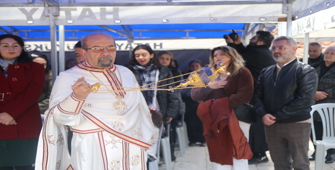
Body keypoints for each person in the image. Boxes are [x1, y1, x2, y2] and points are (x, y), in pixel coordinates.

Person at [35, 33, 158, 170]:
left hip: (132, 143)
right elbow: (58, 117)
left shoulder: (126, 72)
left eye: (111, 48)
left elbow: (140, 108)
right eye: (97, 48)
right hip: (93, 144)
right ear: (83, 52)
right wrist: (77, 97)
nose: (106, 52)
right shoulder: (68, 77)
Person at [253, 36, 318, 170]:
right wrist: (263, 114)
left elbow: (305, 99)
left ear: (294, 49)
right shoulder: (266, 72)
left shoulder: (305, 70)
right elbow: (257, 96)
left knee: (300, 164)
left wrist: (276, 116)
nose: (276, 51)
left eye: (281, 47)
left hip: (296, 123)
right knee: (279, 164)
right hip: (271, 124)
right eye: (274, 48)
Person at [191, 46, 254, 169]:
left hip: (237, 116)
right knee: (219, 148)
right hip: (214, 118)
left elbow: (244, 95)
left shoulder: (242, 72)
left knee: (238, 148)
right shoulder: (207, 73)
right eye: (215, 55)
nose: (218, 57)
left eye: (222, 54)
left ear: (232, 56)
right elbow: (194, 94)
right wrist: (210, 87)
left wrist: (218, 105)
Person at [225, 30, 275, 164]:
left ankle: (260, 154)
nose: (251, 39)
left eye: (254, 38)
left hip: (259, 95)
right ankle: (256, 151)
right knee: (254, 124)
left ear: (260, 42)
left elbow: (238, 58)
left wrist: (231, 45)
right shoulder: (259, 51)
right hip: (259, 93)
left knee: (257, 124)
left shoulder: (258, 53)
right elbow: (244, 54)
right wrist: (237, 43)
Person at [0, 34, 45, 170]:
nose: (11, 49)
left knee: (25, 164)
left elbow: (33, 93)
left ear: (22, 48)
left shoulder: (35, 68)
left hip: (25, 122)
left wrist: (11, 113)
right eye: (5, 46)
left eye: (15, 45)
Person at [128, 45, 178, 161]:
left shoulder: (163, 71)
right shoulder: (129, 71)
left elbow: (172, 93)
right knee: (138, 137)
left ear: (151, 55)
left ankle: (150, 158)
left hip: (158, 109)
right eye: (137, 55)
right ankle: (140, 159)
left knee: (153, 136)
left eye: (144, 55)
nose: (141, 57)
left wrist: (171, 112)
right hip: (137, 110)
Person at [308, 46, 335, 163]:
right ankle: (317, 150)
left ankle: (331, 153)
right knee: (314, 129)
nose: (328, 55)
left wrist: (325, 93)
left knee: (330, 129)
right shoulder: (314, 67)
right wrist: (314, 93)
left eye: (332, 53)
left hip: (331, 104)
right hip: (314, 103)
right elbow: (305, 83)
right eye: (327, 52)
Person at [157, 51, 185, 160]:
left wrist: (172, 111)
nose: (164, 61)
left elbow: (176, 91)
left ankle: (169, 154)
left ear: (171, 61)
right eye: (162, 58)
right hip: (158, 106)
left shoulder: (175, 72)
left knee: (170, 131)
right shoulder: (154, 72)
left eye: (167, 59)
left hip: (172, 105)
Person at [181, 60, 206, 146]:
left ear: (201, 67)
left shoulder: (206, 77)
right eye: (193, 66)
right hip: (190, 103)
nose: (194, 68)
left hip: (203, 103)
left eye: (197, 66)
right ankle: (192, 140)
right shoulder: (185, 77)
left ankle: (203, 140)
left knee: (202, 122)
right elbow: (182, 90)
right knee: (191, 122)